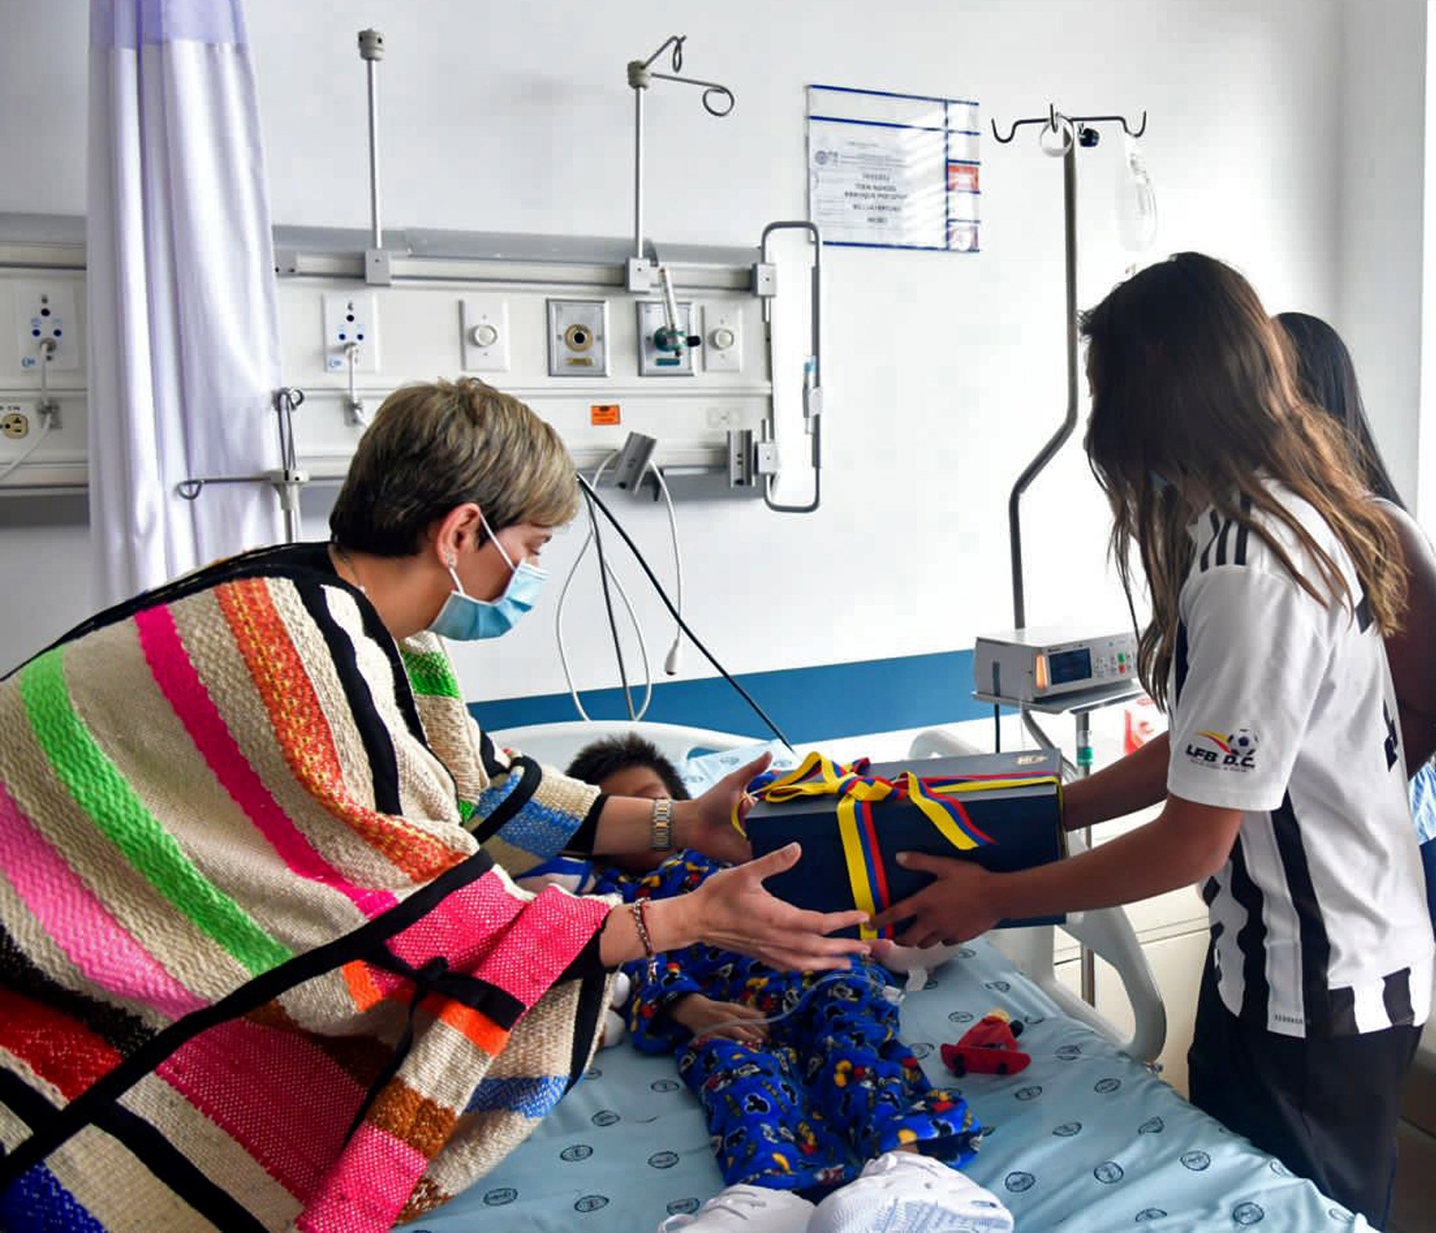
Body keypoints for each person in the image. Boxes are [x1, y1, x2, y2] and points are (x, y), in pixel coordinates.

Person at [0, 379, 867, 1229]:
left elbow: (480, 793)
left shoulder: (325, 608)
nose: (527, 573)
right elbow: (441, 929)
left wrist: (685, 823)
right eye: (529, 548)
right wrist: (687, 919)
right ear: (461, 531)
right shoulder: (301, 655)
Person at [878, 253, 1434, 1228]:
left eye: (1106, 387)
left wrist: (993, 899)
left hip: (1317, 985)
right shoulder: (1275, 522)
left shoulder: (1254, 563)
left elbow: (1194, 838)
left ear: (1157, 385)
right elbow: (1210, 745)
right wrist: (1052, 807)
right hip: (1298, 967)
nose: (1101, 419)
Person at [531, 736, 1008, 1233]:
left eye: (657, 800)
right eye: (631, 814)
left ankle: (914, 1174)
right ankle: (768, 1195)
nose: (650, 818)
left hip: (824, 973)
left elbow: (834, 883)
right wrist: (685, 1006)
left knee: (854, 1046)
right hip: (725, 1006)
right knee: (736, 1075)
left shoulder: (748, 851)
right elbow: (630, 964)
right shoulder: (623, 900)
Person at [1277, 311, 1436, 924]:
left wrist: (1328, 817)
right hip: (1322, 854)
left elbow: (1431, 715)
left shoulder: (1380, 530)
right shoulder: (1278, 537)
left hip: (1393, 845)